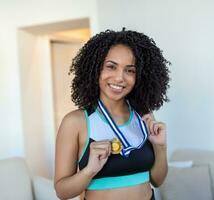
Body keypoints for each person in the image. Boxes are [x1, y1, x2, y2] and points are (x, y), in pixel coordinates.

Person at [54, 28, 170, 200]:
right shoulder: (76, 122)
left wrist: (160, 147)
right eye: (111, 67)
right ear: (95, 70)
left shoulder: (143, 117)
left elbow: (157, 180)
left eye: (129, 70)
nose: (119, 78)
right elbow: (62, 191)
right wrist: (89, 171)